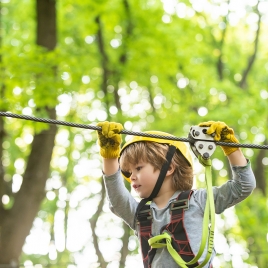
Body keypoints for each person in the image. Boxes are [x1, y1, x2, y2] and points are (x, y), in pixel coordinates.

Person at [96, 121, 256, 268]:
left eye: (138, 168)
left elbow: (243, 186)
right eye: (130, 171)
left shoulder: (198, 201)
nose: (131, 176)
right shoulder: (141, 214)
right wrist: (109, 157)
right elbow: (117, 198)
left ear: (169, 168)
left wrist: (230, 148)